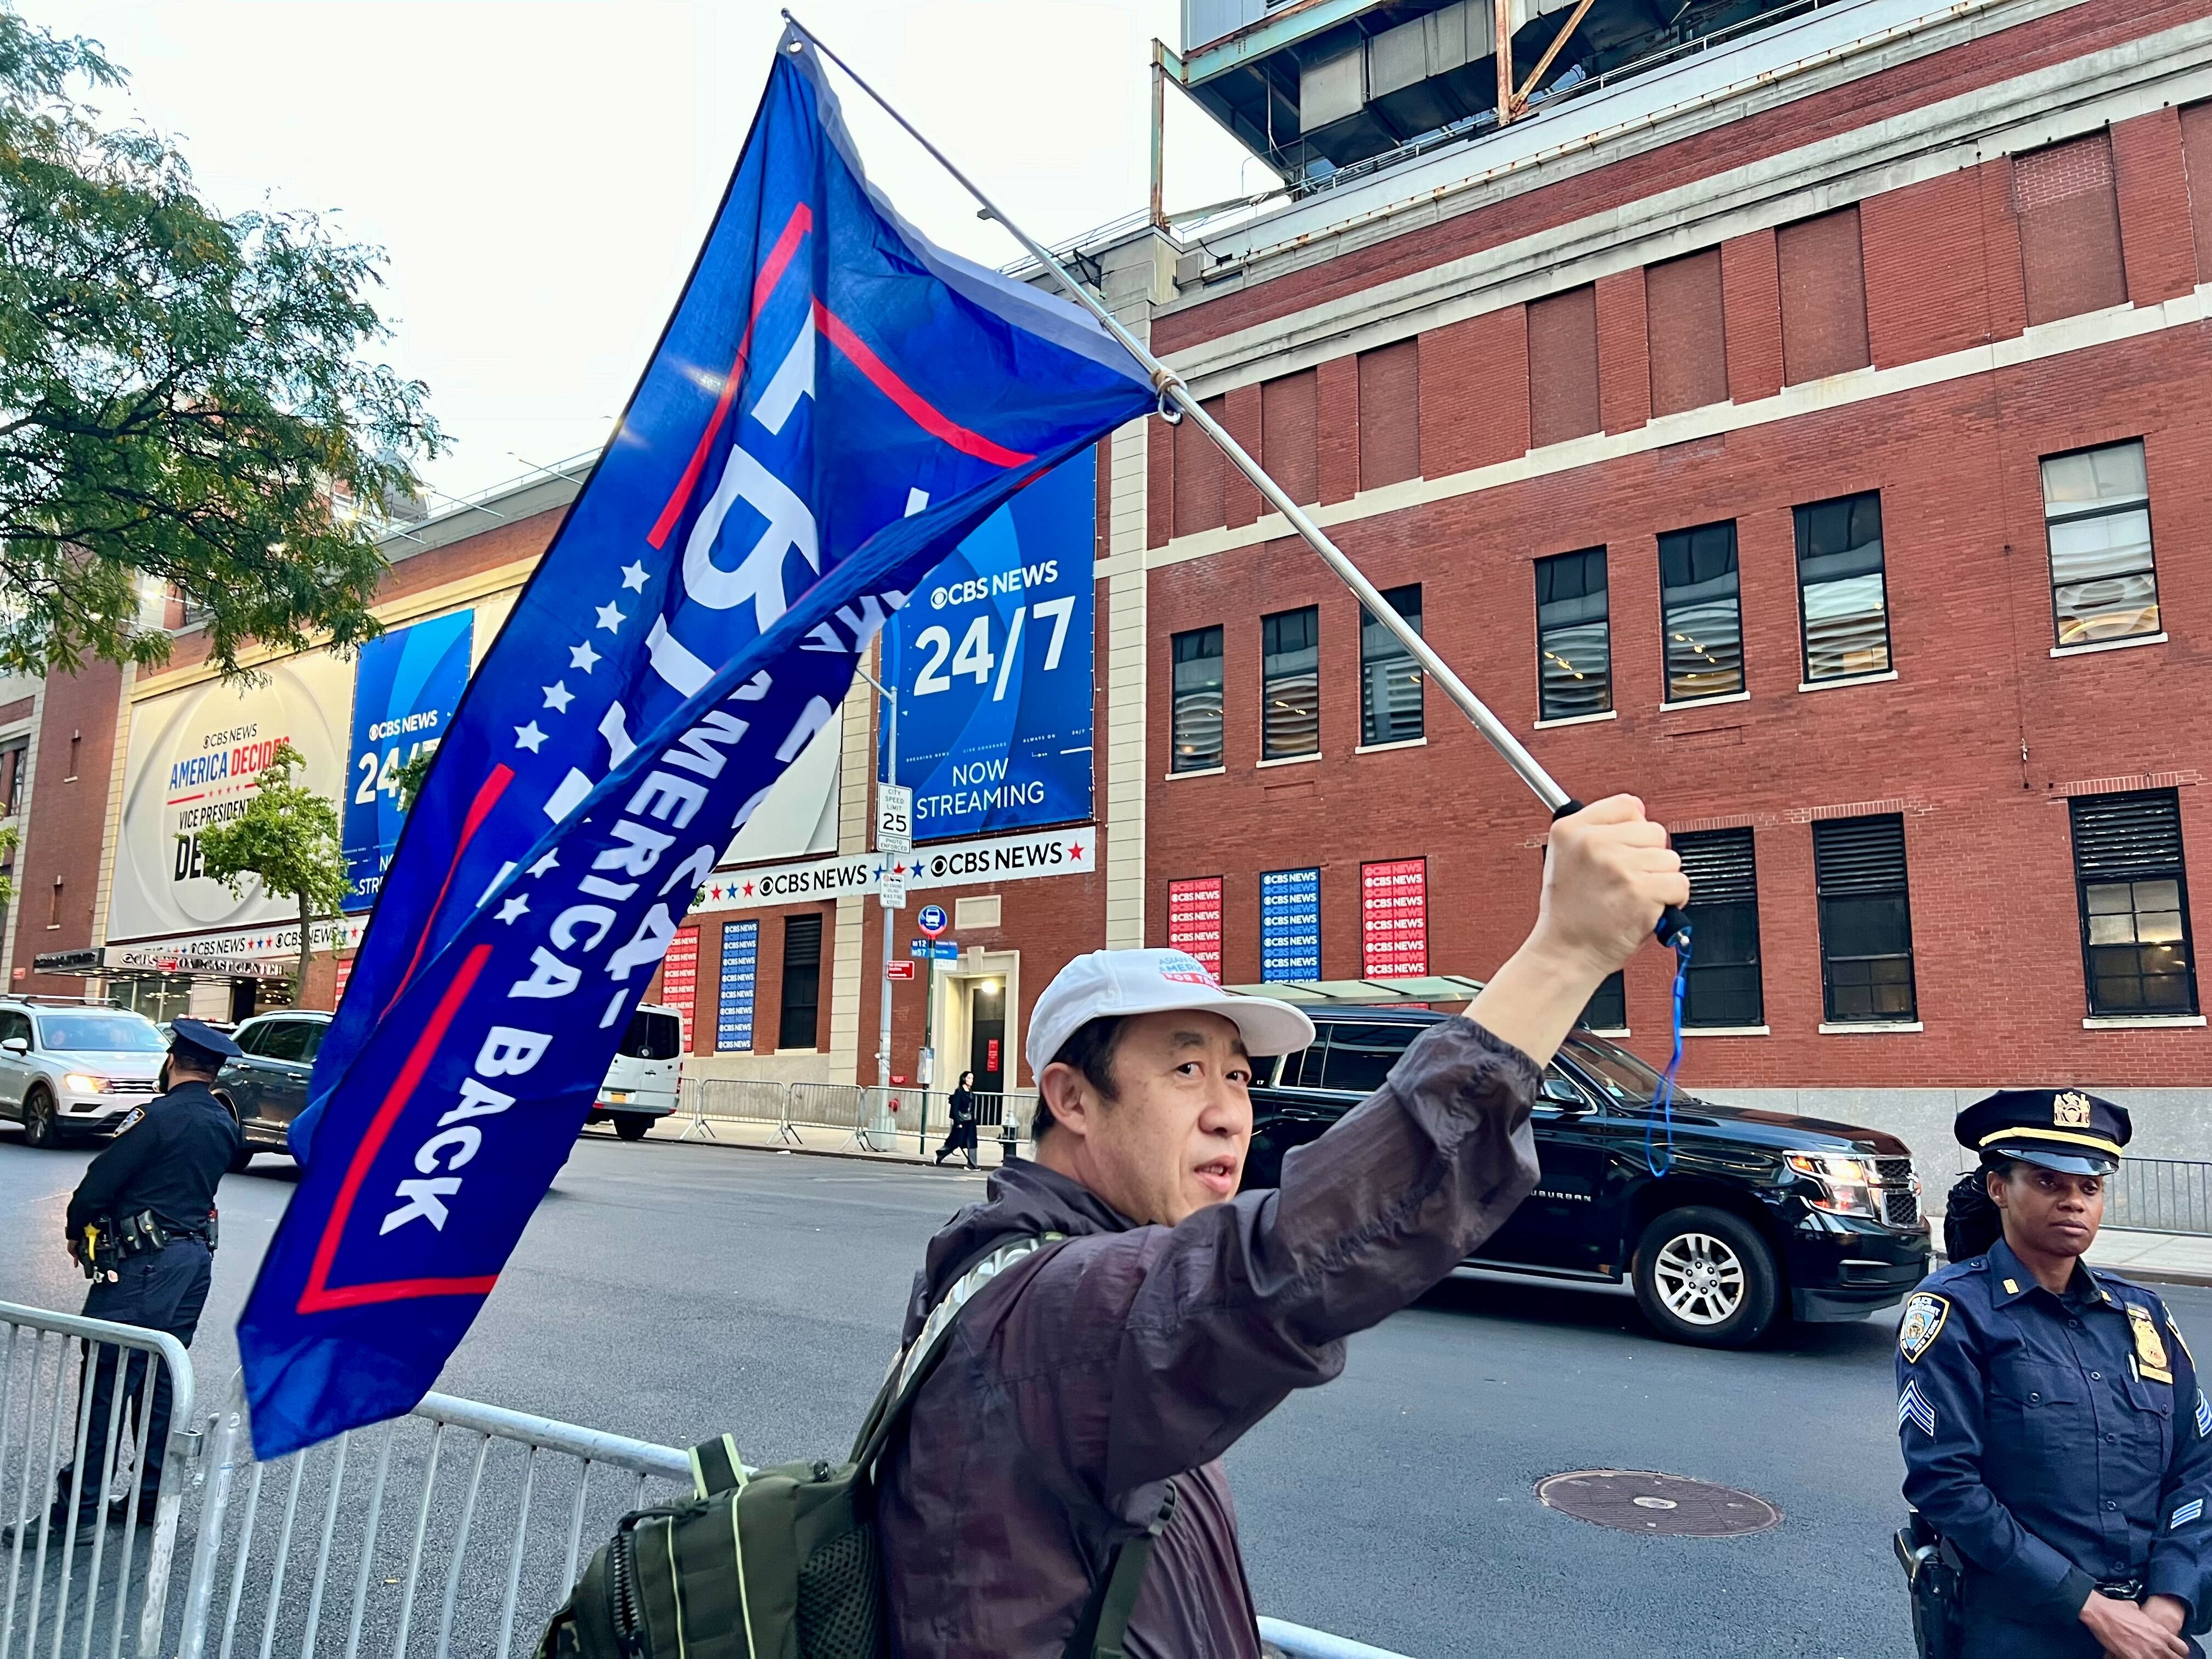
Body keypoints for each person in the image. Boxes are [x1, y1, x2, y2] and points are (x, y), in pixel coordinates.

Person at [876, 795, 1686, 1655]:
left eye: (1240, 1076)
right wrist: (1562, 956)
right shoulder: (1041, 1310)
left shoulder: (1067, 1266)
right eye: (1187, 1068)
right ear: (1072, 1098)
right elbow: (1285, 1262)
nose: (1230, 1112)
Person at [1897, 1088, 2212, 1659]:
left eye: (2090, 1187)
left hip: (2152, 1629)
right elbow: (1947, 1486)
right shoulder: (1955, 1312)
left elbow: (2198, 1468)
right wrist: (2091, 1608)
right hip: (2022, 1630)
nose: (2074, 1201)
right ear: (1999, 1188)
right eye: (2048, 1182)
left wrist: (2169, 1603)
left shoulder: (2142, 1316)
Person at [9, 1018, 242, 1547]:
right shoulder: (223, 1121)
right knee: (161, 1382)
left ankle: (79, 1512)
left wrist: (76, 1230)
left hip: (145, 1267)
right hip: (192, 1264)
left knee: (107, 1387)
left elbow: (99, 1184)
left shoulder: (157, 1117)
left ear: (174, 1062)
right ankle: (149, 1499)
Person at [933, 1071, 979, 1169]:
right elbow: (955, 1108)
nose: (971, 1081)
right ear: (964, 1079)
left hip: (970, 1122)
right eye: (969, 1078)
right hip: (961, 1122)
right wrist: (958, 1122)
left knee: (972, 1143)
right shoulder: (959, 1092)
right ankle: (940, 1155)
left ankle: (973, 1165)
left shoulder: (972, 1093)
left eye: (972, 1078)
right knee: (955, 1142)